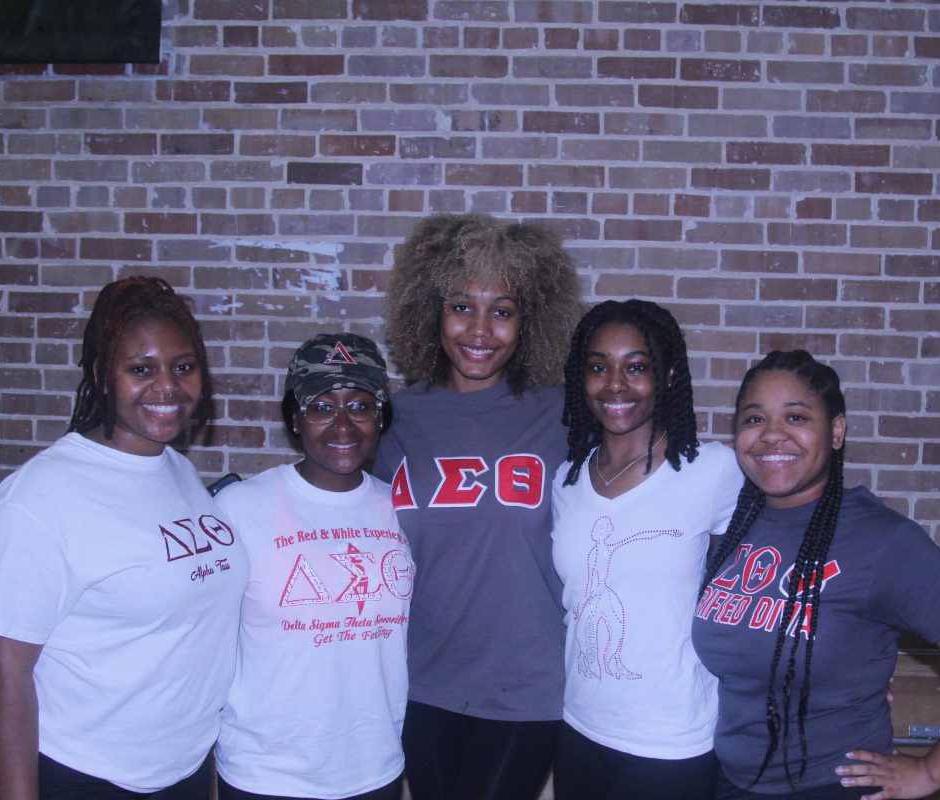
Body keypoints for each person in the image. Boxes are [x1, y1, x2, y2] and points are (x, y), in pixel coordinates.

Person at [691, 350, 940, 800]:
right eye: (754, 419)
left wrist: (929, 774)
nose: (772, 435)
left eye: (795, 417)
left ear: (836, 431)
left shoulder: (881, 540)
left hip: (830, 786)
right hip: (733, 782)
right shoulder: (735, 527)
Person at [0, 276, 249, 799]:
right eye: (141, 369)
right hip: (79, 774)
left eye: (183, 367)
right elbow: (1, 673)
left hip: (178, 771)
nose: (167, 387)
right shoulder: (40, 496)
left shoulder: (175, 471)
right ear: (101, 374)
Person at [371, 213, 582, 800]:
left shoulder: (564, 416)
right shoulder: (394, 421)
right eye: (462, 306)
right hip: (419, 681)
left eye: (503, 310)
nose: (481, 329)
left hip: (526, 686)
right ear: (429, 312)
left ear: (530, 320)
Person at [550, 299, 743, 800]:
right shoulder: (566, 483)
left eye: (636, 367)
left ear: (668, 375)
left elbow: (767, 574)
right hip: (579, 726)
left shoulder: (714, 471)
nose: (615, 384)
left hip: (672, 742)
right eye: (599, 367)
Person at [213, 333, 412, 800]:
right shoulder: (239, 509)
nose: (343, 426)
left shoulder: (402, 507)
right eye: (322, 407)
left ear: (381, 416)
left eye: (360, 406)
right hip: (266, 774)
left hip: (373, 768)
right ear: (294, 419)